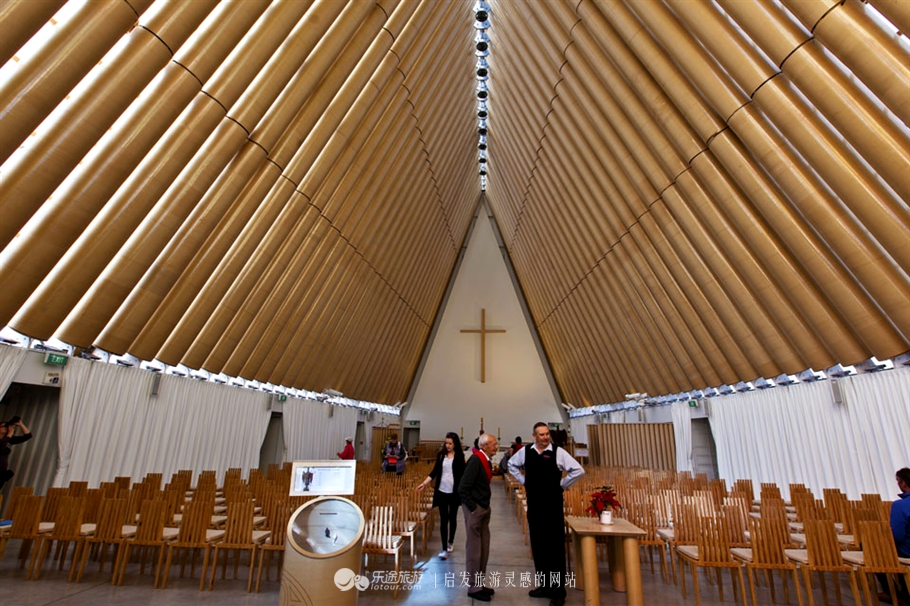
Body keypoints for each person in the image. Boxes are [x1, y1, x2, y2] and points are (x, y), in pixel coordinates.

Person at [508, 422, 584, 606]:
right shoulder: (526, 452)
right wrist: (524, 481)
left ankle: (558, 592)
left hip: (552, 506)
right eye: (541, 434)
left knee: (555, 549)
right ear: (534, 435)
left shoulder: (558, 452)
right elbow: (511, 465)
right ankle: (545, 586)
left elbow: (578, 470)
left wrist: (562, 485)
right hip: (535, 505)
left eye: (546, 434)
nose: (545, 437)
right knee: (539, 546)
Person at [458, 433, 498, 602]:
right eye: (494, 444)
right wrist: (473, 508)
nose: (496, 447)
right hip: (475, 510)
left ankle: (480, 583)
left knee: (484, 548)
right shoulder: (476, 460)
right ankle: (474, 587)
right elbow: (463, 487)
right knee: (475, 550)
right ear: (485, 446)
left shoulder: (485, 459)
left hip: (483, 508)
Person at [416, 432, 465, 560]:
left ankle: (450, 542)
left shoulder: (459, 456)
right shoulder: (441, 455)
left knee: (452, 517)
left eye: (450, 443)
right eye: (446, 443)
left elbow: (462, 475)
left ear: (455, 444)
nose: (448, 445)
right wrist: (424, 484)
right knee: (443, 519)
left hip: (454, 492)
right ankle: (443, 548)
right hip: (442, 490)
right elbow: (434, 471)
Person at [879, 467, 910, 603]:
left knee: (874, 550)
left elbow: (896, 536)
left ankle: (896, 593)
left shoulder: (900, 505)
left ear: (903, 483)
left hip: (907, 551)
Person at [0, 417, 32, 490]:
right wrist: (10, 433)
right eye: (3, 426)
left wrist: (20, 424)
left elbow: (28, 436)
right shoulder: (7, 438)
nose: (6, 428)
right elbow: (1, 446)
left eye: (7, 426)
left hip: (2, 470)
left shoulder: (9, 439)